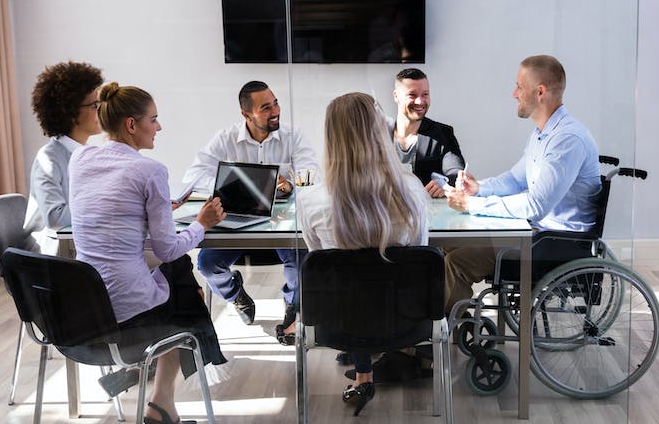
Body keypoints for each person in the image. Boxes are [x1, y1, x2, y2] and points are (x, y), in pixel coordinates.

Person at [69, 82, 227, 424]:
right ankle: (160, 399)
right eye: (153, 120)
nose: (159, 127)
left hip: (85, 304)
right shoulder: (150, 170)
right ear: (131, 125)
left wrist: (151, 211)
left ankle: (155, 393)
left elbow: (106, 215)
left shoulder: (80, 157)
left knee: (181, 278)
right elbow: (167, 249)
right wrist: (203, 223)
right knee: (184, 283)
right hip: (126, 310)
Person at [296, 92, 429, 415]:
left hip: (337, 323)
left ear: (331, 136)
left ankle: (362, 373)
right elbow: (421, 253)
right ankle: (368, 371)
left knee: (350, 289)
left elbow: (321, 266)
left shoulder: (311, 201)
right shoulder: (412, 191)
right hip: (408, 321)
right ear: (378, 133)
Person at [443, 55, 601, 311]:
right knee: (449, 244)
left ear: (540, 92)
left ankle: (442, 340)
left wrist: (472, 205)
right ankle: (448, 324)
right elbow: (516, 179)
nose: (514, 93)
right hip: (536, 233)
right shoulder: (543, 134)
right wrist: (479, 188)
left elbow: (536, 205)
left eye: (519, 86)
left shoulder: (566, 140)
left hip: (552, 243)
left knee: (457, 263)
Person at [182, 80, 319, 341]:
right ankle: (236, 295)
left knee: (300, 261)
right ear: (246, 114)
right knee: (207, 264)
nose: (275, 111)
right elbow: (194, 176)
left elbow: (311, 175)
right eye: (266, 107)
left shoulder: (294, 136)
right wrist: (237, 185)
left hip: (281, 222)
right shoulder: (226, 139)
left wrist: (290, 185)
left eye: (276, 103)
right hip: (237, 219)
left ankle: (293, 306)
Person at [24, 61, 104, 255]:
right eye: (95, 105)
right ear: (70, 111)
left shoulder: (89, 154)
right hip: (52, 256)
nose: (102, 110)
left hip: (78, 246)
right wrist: (106, 207)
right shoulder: (48, 159)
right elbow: (55, 217)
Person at [389, 68, 465, 198]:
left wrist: (445, 183)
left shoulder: (443, 133)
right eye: (412, 95)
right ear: (396, 96)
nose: (420, 101)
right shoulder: (378, 134)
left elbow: (456, 173)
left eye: (425, 94)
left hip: (429, 212)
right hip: (385, 212)